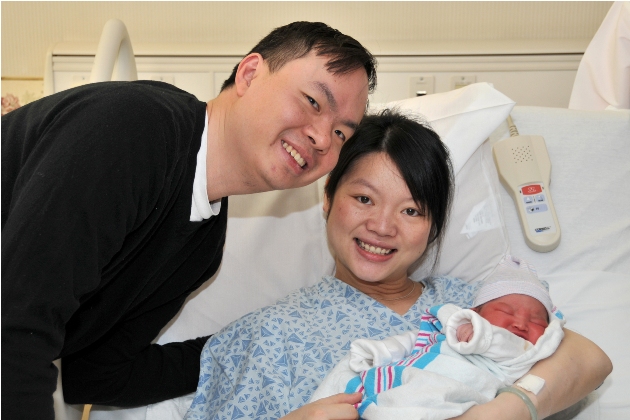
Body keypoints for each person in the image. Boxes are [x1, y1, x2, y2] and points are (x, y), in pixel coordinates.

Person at [1, 21, 377, 420]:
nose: (323, 138)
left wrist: (253, 345)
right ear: (250, 74)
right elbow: (13, 329)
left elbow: (95, 375)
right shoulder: (133, 130)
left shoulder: (201, 242)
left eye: (341, 133)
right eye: (313, 102)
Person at [183, 110, 611, 420]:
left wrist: (504, 411)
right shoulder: (266, 336)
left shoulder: (479, 305)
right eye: (364, 199)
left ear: (433, 227)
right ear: (328, 197)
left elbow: (588, 359)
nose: (382, 226)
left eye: (411, 211)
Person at [311, 255, 566, 420]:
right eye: (506, 311)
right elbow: (412, 340)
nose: (521, 323)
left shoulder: (525, 353)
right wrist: (377, 352)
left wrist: (482, 335)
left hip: (450, 391)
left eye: (537, 321)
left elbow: (509, 346)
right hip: (402, 376)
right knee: (347, 373)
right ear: (474, 311)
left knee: (419, 402)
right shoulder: (448, 323)